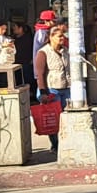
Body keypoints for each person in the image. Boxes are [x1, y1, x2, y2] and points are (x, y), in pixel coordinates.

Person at [34, 24, 72, 157]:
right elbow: (40, 73)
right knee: (53, 119)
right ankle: (55, 144)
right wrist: (43, 92)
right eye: (59, 36)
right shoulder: (43, 52)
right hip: (52, 89)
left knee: (66, 118)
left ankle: (65, 142)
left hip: (66, 88)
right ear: (51, 37)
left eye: (63, 35)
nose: (62, 38)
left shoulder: (66, 51)